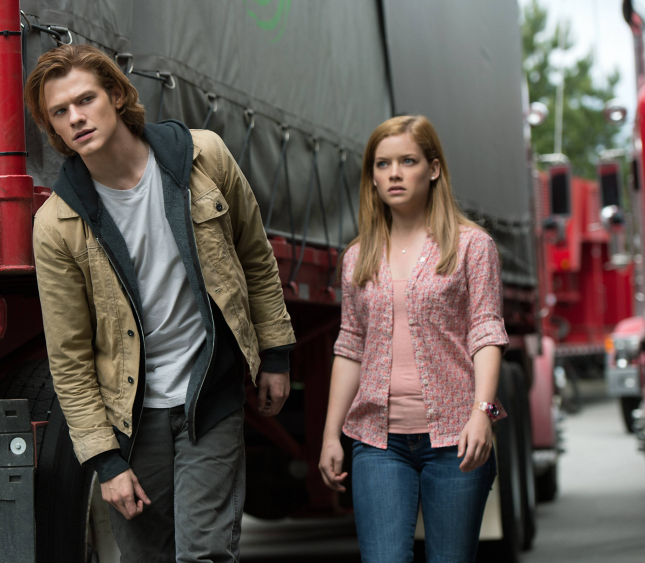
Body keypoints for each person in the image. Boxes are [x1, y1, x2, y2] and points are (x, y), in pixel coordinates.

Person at [25, 44, 296, 562]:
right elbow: (70, 356)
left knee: (204, 554)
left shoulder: (202, 157)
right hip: (132, 417)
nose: (75, 117)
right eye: (59, 111)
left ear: (116, 95)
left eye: (85, 99)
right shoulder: (56, 224)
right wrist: (105, 460)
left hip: (208, 390)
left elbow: (255, 258)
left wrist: (276, 353)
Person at [318, 115, 508, 562]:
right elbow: (350, 347)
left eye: (408, 161)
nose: (394, 174)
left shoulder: (472, 246)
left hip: (456, 440)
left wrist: (482, 413)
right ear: (372, 177)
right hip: (378, 445)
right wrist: (330, 436)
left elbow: (486, 332)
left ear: (433, 169)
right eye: (382, 164)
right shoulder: (357, 257)